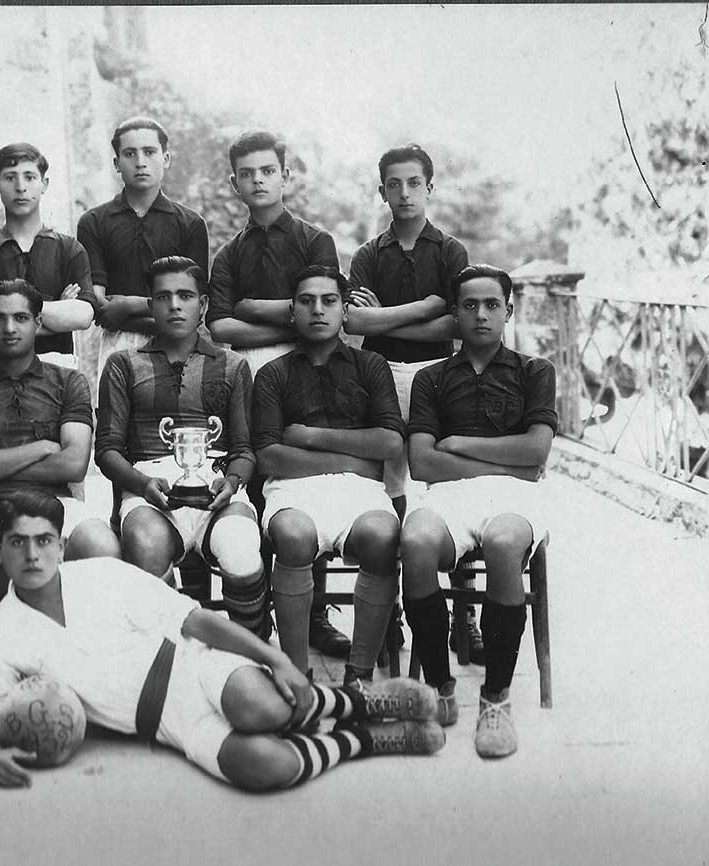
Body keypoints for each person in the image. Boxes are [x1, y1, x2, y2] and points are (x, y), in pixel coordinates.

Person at [0, 491, 444, 790]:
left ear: (61, 545)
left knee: (261, 708)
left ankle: (355, 701)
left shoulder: (101, 574)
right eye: (18, 543)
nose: (33, 554)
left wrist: (274, 659)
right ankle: (363, 739)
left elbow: (195, 621)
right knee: (268, 768)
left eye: (44, 541)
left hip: (191, 666)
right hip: (162, 723)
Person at [401, 264, 556, 759]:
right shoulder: (431, 380)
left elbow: (536, 454)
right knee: (416, 541)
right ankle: (442, 688)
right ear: (454, 314)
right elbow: (423, 462)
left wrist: (461, 443)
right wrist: (503, 458)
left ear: (509, 311)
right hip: (448, 497)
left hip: (514, 500)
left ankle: (495, 699)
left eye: (492, 305)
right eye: (469, 305)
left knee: (506, 544)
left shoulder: (535, 372)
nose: (481, 315)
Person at [206, 129, 349, 658]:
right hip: (246, 374)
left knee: (301, 480)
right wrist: (288, 317)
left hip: (306, 373)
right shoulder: (228, 254)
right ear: (235, 183)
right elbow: (220, 328)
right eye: (248, 174)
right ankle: (256, 607)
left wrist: (252, 308)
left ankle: (311, 614)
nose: (259, 180)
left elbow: (323, 320)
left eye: (268, 171)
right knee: (256, 478)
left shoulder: (315, 242)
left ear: (285, 176)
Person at [344, 144, 477, 659]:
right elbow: (356, 323)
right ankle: (393, 607)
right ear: (381, 191)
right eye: (393, 184)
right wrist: (423, 307)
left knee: (442, 480)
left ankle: (461, 607)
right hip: (381, 375)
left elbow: (456, 323)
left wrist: (389, 314)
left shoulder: (450, 251)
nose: (404, 193)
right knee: (390, 481)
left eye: (414, 183)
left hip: (439, 376)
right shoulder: (368, 255)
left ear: (430, 187)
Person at [95, 256, 267, 638]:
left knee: (240, 544)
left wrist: (233, 482)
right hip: (149, 488)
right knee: (144, 541)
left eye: (186, 295)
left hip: (215, 485)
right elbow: (107, 449)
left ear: (203, 305)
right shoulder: (123, 364)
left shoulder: (232, 365)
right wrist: (142, 485)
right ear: (151, 304)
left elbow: (243, 448)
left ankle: (252, 654)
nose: (175, 305)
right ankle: (172, 655)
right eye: (164, 296)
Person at [251, 265, 404, 685]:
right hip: (292, 490)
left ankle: (360, 678)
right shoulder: (273, 374)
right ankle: (296, 677)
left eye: (329, 300)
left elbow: (390, 444)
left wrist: (311, 436)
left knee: (381, 536)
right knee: (295, 535)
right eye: (307, 301)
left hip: (360, 491)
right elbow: (269, 457)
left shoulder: (371, 366)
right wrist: (354, 456)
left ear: (344, 311)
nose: (318, 310)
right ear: (292, 312)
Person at [0, 278, 120, 640]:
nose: (9, 328)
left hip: (57, 501)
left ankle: (83, 650)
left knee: (101, 544)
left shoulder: (69, 382)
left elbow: (73, 463)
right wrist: (40, 448)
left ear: (39, 324)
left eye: (21, 318)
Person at [77, 116, 210, 385]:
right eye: (129, 153)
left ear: (166, 158)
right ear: (116, 163)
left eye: (149, 152)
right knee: (116, 422)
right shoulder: (94, 222)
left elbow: (193, 309)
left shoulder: (190, 224)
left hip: (178, 350)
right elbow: (102, 307)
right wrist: (164, 313)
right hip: (118, 346)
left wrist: (127, 305)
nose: (140, 162)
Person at [0, 142, 96, 370]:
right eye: (10, 177)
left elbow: (82, 315)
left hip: (58, 368)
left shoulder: (69, 249)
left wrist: (4, 315)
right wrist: (59, 311)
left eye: (30, 177)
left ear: (44, 184)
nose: (21, 187)